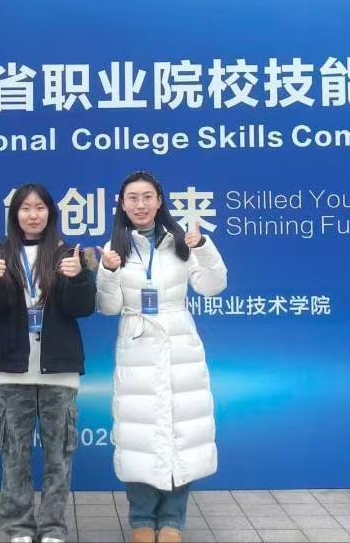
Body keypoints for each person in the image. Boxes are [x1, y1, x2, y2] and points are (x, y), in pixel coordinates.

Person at [96, 171, 227, 543]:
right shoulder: (115, 246)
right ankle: (141, 520)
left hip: (179, 343)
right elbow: (108, 307)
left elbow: (213, 286)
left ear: (159, 201)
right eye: (133, 198)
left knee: (181, 432)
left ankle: (172, 521)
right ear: (122, 204)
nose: (140, 205)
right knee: (139, 435)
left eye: (147, 197)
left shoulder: (181, 242)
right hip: (136, 343)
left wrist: (204, 246)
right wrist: (108, 271)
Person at [0, 184, 95, 543]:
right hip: (12, 372)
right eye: (25, 208)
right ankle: (20, 528)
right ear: (15, 215)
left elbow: (82, 309)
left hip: (59, 372)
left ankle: (53, 527)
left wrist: (77, 277)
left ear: (50, 213)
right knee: (14, 457)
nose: (32, 214)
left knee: (59, 458)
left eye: (39, 207)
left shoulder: (69, 254)